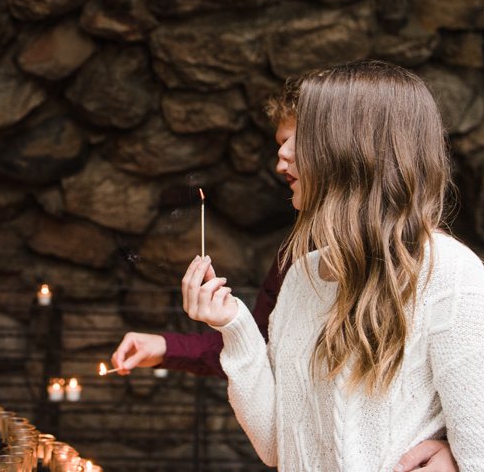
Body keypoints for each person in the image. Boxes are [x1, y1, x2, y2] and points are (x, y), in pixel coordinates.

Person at [180, 61, 484, 471]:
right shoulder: (300, 279)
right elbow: (278, 446)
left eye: (307, 134)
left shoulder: (450, 279)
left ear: (359, 147)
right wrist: (235, 326)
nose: (282, 153)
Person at [113, 76, 463, 472]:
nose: (280, 159)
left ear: (344, 148)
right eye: (280, 142)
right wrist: (189, 338)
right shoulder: (298, 269)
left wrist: (461, 457)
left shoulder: (444, 270)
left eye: (295, 140)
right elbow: (264, 368)